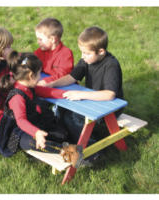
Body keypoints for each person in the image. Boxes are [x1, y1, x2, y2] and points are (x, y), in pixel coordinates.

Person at [45, 26, 124, 165]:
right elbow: (71, 77)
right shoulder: (87, 60)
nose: (82, 56)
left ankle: (93, 152)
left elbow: (110, 95)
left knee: (71, 118)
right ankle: (69, 140)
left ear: (101, 51)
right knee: (60, 110)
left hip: (109, 107)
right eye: (81, 52)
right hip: (91, 101)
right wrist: (52, 84)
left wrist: (81, 94)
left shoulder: (111, 65)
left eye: (86, 53)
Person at [0, 50, 70, 157]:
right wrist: (36, 132)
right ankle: (66, 152)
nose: (40, 77)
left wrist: (66, 94)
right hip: (17, 131)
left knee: (61, 134)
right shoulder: (17, 97)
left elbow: (47, 92)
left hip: (33, 123)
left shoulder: (28, 86)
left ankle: (58, 143)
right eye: (39, 73)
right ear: (31, 75)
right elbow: (21, 121)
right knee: (31, 142)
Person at [34, 18, 74, 86]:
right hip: (43, 81)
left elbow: (63, 74)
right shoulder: (40, 51)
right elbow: (31, 61)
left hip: (64, 85)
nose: (38, 42)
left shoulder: (66, 54)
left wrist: (47, 81)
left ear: (52, 39)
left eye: (40, 39)